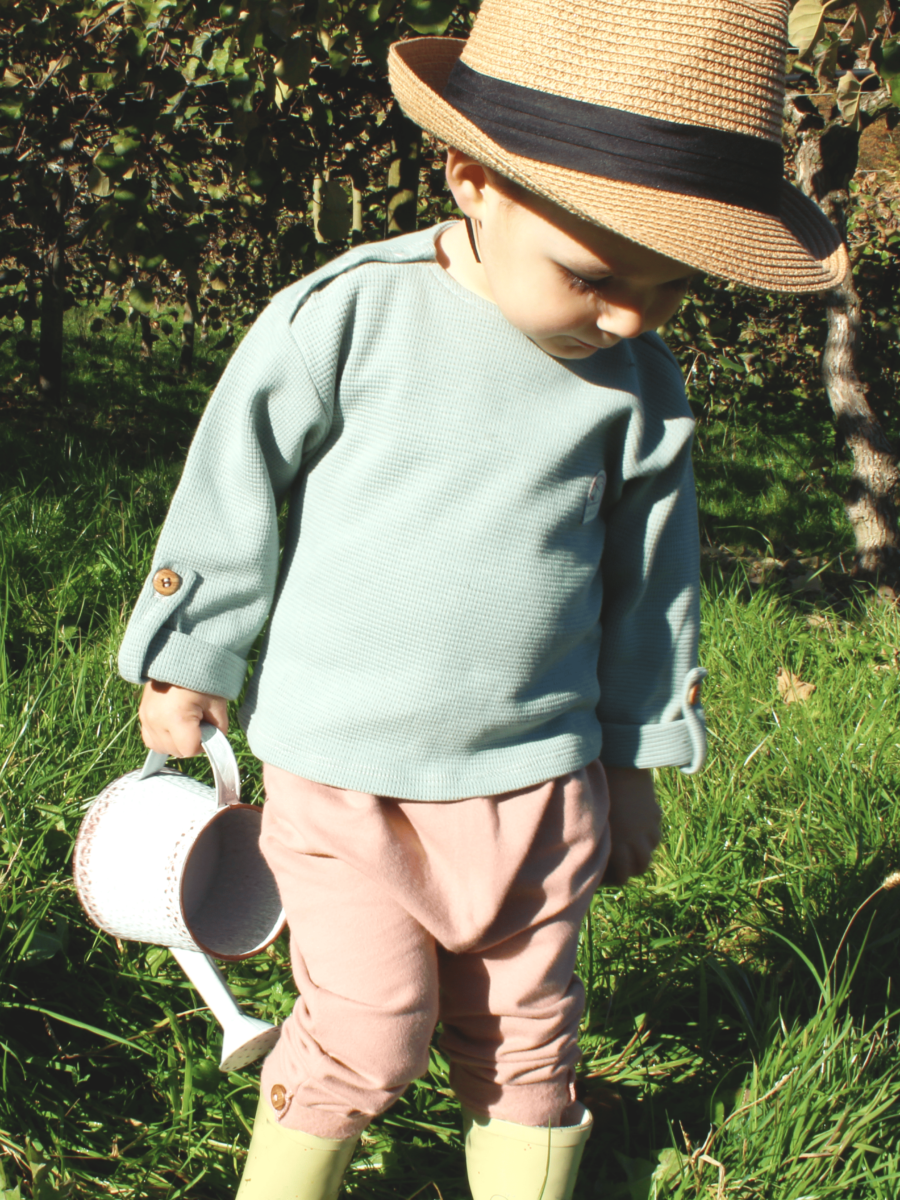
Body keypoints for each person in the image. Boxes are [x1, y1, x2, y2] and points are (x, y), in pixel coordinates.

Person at [119, 0, 847, 1195]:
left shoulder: (639, 389)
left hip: (541, 784)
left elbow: (647, 589)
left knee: (529, 1047)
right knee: (371, 1029)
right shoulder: (352, 316)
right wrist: (192, 650)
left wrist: (631, 766)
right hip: (346, 777)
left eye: (671, 292)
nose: (631, 317)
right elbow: (233, 477)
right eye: (597, 277)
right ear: (472, 178)